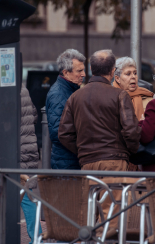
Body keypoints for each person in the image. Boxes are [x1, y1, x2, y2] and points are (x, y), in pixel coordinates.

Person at [58, 49, 141, 234]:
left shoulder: (75, 97)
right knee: (112, 218)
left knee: (90, 215)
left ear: (90, 69)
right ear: (113, 71)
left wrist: (82, 150)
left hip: (87, 163)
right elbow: (131, 131)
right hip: (115, 161)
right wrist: (131, 152)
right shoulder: (119, 95)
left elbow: (64, 133)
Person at [45, 49, 85, 170]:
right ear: (66, 73)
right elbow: (58, 133)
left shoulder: (71, 89)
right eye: (79, 71)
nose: (83, 74)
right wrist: (82, 149)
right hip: (67, 162)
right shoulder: (58, 94)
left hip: (70, 159)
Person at [113, 56, 153, 171]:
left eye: (135, 73)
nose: (133, 77)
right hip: (117, 158)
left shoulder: (148, 97)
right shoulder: (111, 98)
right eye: (128, 74)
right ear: (117, 78)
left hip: (142, 158)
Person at [20, 84, 42, 244]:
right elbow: (34, 115)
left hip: (15, 150)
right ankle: (37, 238)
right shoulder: (21, 88)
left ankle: (37, 238)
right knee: (27, 195)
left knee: (25, 196)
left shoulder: (2, 87)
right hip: (28, 147)